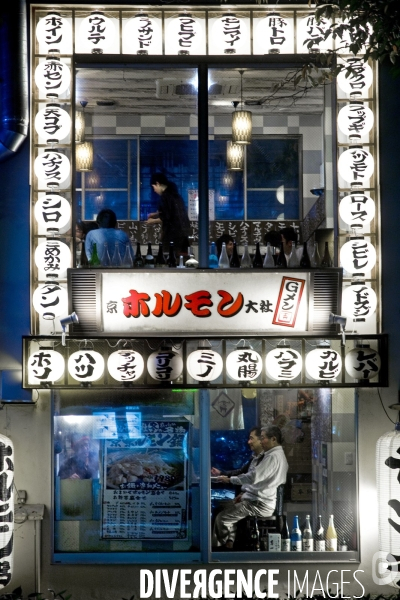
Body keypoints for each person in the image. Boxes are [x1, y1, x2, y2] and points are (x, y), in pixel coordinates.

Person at [212, 425, 288, 549]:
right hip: (256, 500)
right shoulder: (273, 455)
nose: (261, 441)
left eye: (262, 438)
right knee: (223, 507)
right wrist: (243, 494)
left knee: (222, 518)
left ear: (273, 439)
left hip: (258, 503)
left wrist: (229, 479)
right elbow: (258, 482)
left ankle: (220, 549)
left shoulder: (272, 457)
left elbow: (253, 477)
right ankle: (229, 542)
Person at [146, 173, 190, 253]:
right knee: (182, 261)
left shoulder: (164, 197)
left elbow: (166, 217)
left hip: (172, 237)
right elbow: (172, 211)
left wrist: (152, 221)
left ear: (158, 184)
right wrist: (156, 214)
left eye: (154, 187)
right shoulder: (176, 195)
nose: (154, 190)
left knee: (170, 260)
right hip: (183, 237)